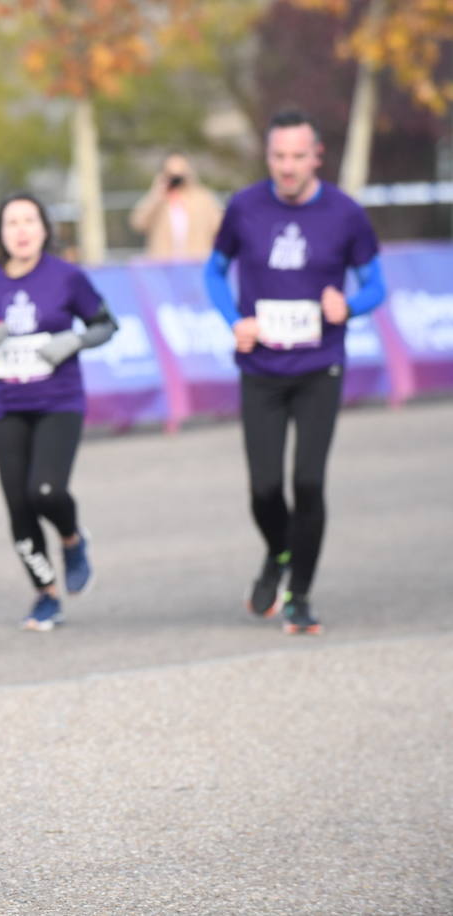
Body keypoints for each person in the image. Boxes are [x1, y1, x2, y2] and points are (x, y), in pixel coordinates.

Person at [203, 109, 386, 635]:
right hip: (260, 367)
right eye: (279, 157)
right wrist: (233, 319)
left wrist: (347, 306)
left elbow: (376, 286)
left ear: (317, 157)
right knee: (264, 489)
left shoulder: (346, 214)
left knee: (307, 482)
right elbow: (214, 272)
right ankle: (280, 553)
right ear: (268, 157)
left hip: (317, 367)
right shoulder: (244, 207)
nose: (287, 167)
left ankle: (299, 595)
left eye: (298, 157)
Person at [0, 193, 118, 631]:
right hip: (8, 406)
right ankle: (46, 595)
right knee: (19, 507)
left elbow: (106, 323)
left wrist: (75, 341)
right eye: (12, 223)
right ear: (0, 234)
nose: (21, 231)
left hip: (59, 402)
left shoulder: (66, 277)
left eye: (29, 221)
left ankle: (73, 541)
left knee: (46, 493)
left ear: (44, 228)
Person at [129, 153, 223, 261]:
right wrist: (156, 194)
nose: (176, 179)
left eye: (180, 173)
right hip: (163, 267)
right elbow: (137, 223)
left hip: (195, 264)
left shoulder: (203, 198)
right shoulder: (158, 198)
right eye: (171, 174)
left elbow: (220, 225)